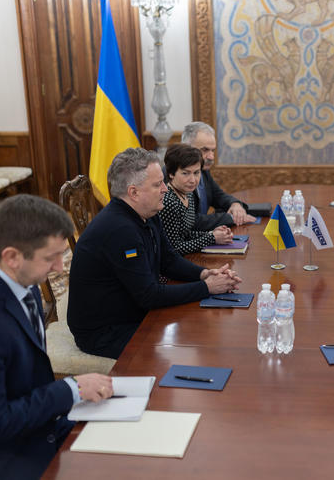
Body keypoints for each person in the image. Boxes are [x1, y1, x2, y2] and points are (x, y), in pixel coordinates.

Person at [0, 194, 114, 480]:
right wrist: (70, 390)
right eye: (51, 258)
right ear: (12, 256)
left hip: (27, 429)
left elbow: (25, 381)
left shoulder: (22, 281)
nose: (60, 269)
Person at [67, 148, 241, 359]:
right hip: (106, 332)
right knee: (187, 348)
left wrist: (205, 274)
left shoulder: (147, 212)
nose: (165, 190)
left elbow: (168, 260)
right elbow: (149, 296)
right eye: (157, 184)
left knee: (199, 330)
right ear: (134, 192)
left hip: (131, 313)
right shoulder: (119, 230)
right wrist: (206, 288)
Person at [159, 143, 233, 254]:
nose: (193, 180)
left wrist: (212, 233)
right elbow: (174, 249)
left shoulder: (187, 193)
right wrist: (211, 238)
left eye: (197, 173)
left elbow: (186, 234)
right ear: (171, 174)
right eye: (185, 173)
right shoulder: (168, 202)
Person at [182, 121, 256, 230]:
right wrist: (230, 217)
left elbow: (218, 195)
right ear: (186, 147)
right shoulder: (175, 175)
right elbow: (192, 221)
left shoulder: (203, 170)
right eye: (205, 150)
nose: (211, 157)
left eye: (213, 150)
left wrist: (235, 204)